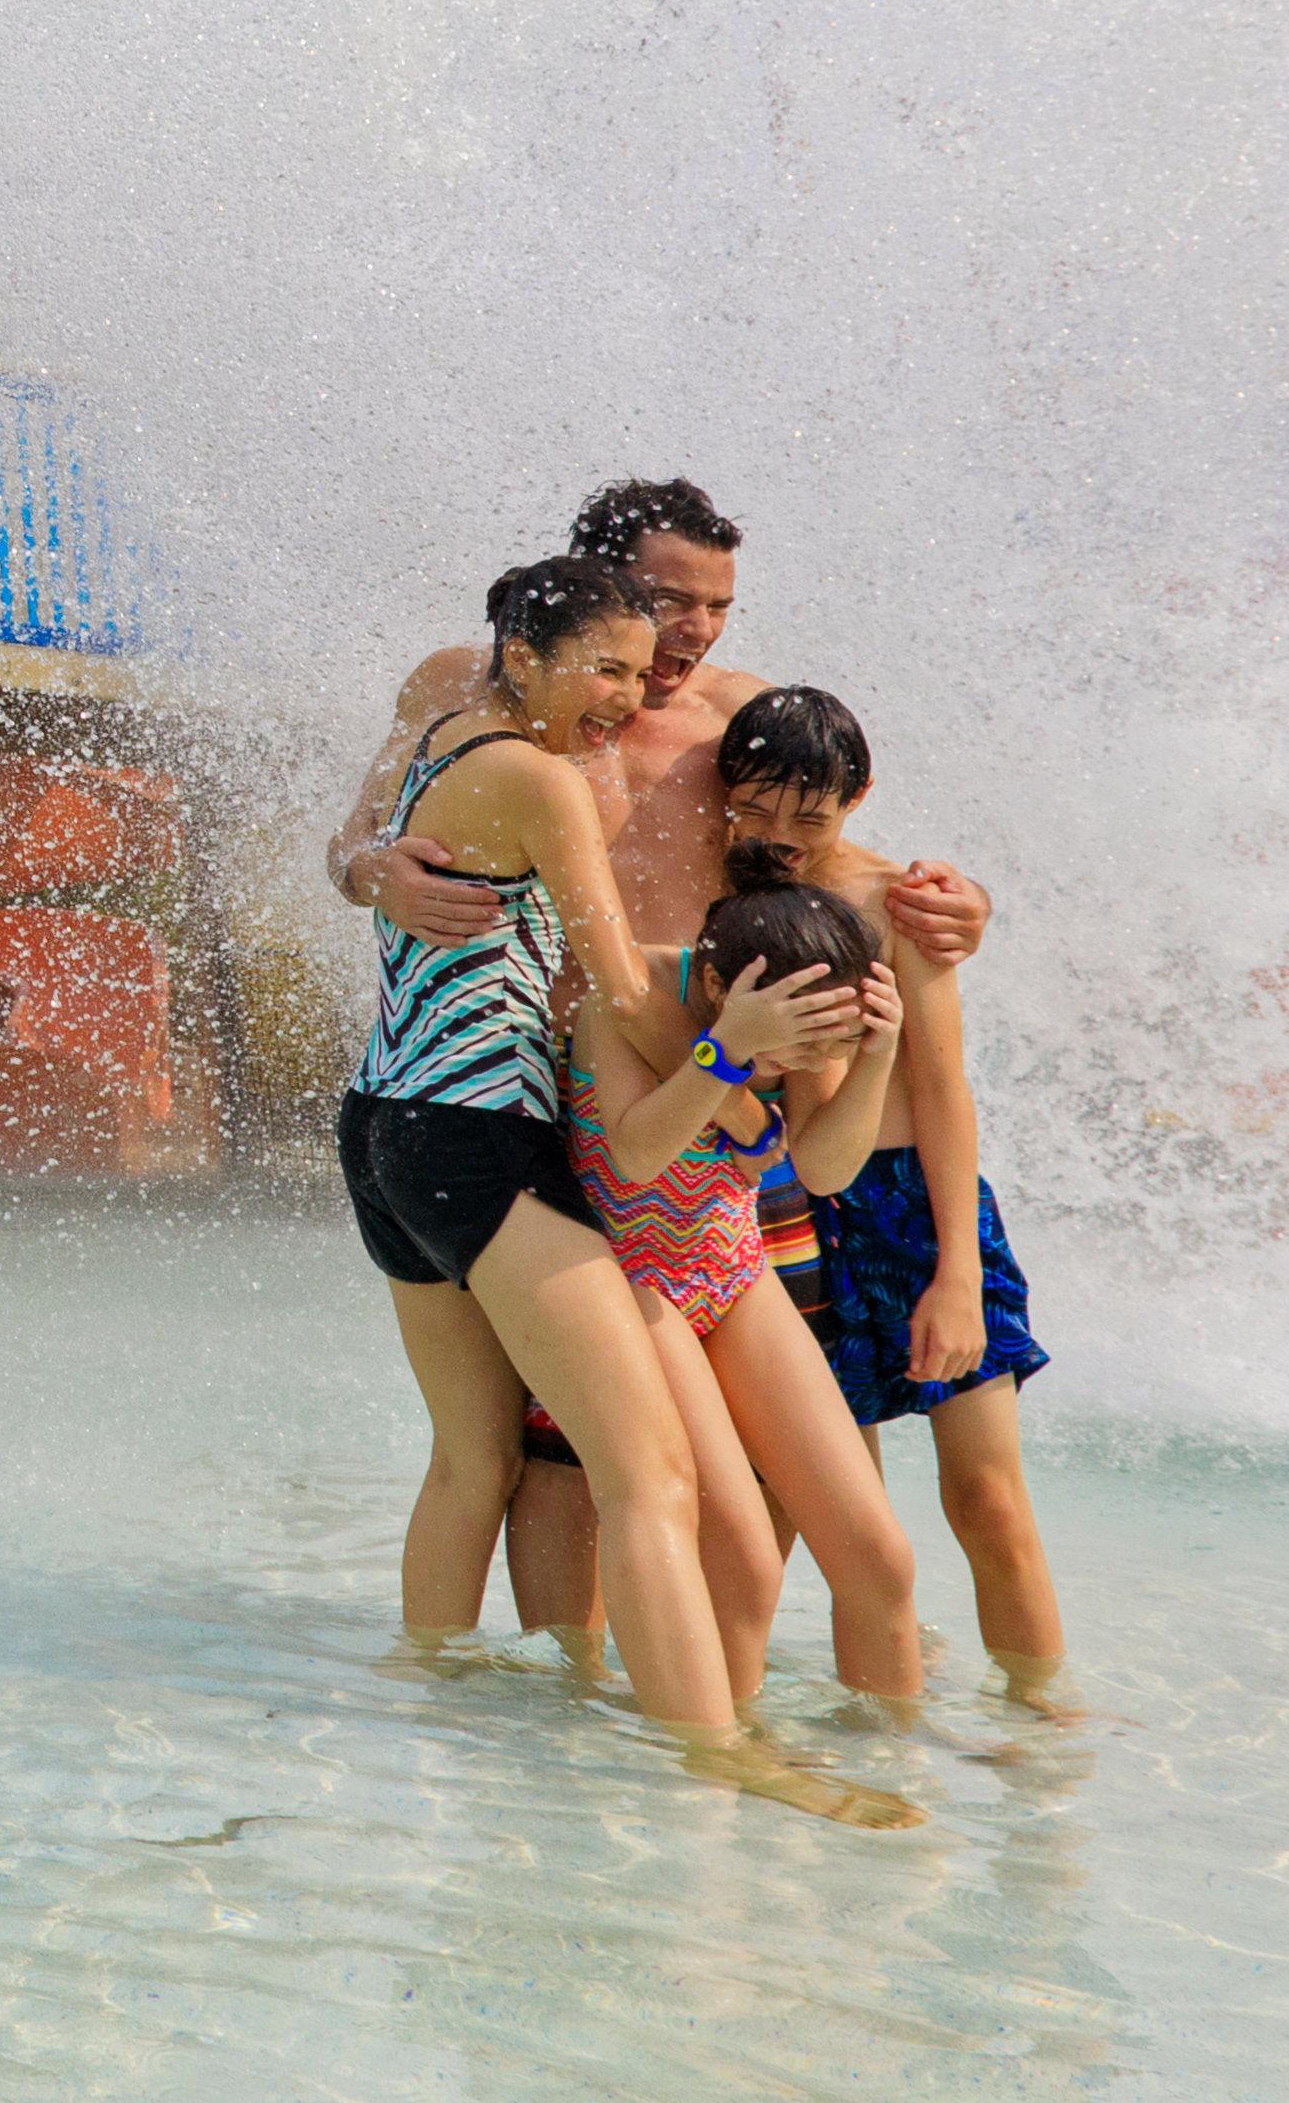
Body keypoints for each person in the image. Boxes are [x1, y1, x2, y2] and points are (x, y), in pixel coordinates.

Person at [326, 474, 990, 1641]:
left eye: (717, 605)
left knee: (767, 1453)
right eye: (666, 601)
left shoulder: (731, 717)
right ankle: (577, 1695)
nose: (691, 632)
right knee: (563, 1448)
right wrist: (370, 871)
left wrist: (952, 903)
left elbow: (814, 844)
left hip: (708, 1101)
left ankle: (737, 1683)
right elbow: (358, 835)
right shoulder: (463, 692)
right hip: (531, 1103)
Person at [341, 554, 906, 1822]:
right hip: (480, 1134)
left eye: (636, 669)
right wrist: (737, 1056)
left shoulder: (440, 740)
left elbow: (370, 858)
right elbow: (617, 973)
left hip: (384, 1129)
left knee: (470, 1459)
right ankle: (717, 1751)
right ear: (525, 657)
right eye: (604, 665)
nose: (628, 692)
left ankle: (421, 1697)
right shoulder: (540, 777)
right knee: (650, 1479)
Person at [716, 685, 1068, 1691]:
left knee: (988, 1500)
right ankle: (873, 1710)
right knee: (825, 1505)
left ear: (857, 799)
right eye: (757, 806)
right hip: (784, 1212)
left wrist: (959, 1269)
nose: (780, 835)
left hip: (915, 1203)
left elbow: (942, 1088)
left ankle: (1042, 1719)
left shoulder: (896, 902)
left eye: (810, 817)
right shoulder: (725, 889)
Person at [568, 857, 932, 1718]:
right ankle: (718, 1760)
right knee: (743, 1559)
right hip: (634, 1285)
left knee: (879, 1558)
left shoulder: (810, 1007)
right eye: (803, 1047)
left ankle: (897, 1767)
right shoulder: (632, 997)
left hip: (732, 1269)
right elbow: (635, 1152)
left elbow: (823, 1168)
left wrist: (873, 1057)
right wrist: (728, 1050)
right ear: (730, 986)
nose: (811, 1062)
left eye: (827, 1047)